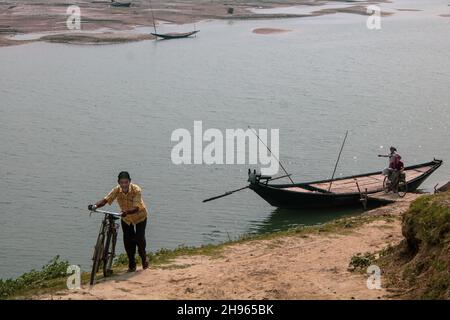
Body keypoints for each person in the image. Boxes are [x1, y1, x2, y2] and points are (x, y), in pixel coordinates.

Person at [88, 171, 149, 272]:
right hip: (126, 218)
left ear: (130, 181)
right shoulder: (117, 190)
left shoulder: (136, 190)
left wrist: (127, 212)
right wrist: (95, 206)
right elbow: (106, 200)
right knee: (128, 242)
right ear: (119, 182)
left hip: (139, 217)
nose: (124, 185)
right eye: (122, 182)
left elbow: (137, 207)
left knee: (139, 239)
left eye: (126, 182)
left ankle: (144, 258)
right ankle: (132, 263)